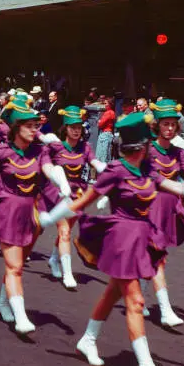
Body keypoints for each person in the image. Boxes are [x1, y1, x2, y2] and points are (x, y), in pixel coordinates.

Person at [38, 112, 184, 366]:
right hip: (121, 239)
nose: (153, 146)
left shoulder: (148, 171)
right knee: (136, 302)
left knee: (112, 291)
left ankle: (88, 340)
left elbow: (178, 188)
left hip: (142, 238)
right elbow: (83, 202)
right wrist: (51, 217)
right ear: (140, 146)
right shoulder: (116, 170)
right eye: (149, 142)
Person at [0, 99, 72, 334]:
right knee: (15, 266)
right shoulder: (1, 150)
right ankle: (21, 317)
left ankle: (4, 302)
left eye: (36, 125)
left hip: (31, 212)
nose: (35, 129)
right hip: (6, 208)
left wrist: (61, 182)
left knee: (16, 266)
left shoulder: (40, 150)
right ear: (16, 128)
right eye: (29, 125)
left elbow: (48, 169)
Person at [143, 99, 184, 326]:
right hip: (149, 209)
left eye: (173, 124)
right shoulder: (148, 151)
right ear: (157, 125)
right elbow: (151, 178)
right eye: (165, 124)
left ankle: (137, 297)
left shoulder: (179, 152)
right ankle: (166, 310)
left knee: (153, 257)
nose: (169, 128)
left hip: (170, 210)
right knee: (158, 259)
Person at [42, 106, 107, 290]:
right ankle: (68, 273)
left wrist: (108, 170)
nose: (77, 131)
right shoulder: (55, 147)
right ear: (65, 128)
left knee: (67, 231)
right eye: (73, 127)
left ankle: (54, 258)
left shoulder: (85, 147)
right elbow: (45, 166)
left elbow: (95, 163)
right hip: (58, 192)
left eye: (79, 127)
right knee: (64, 231)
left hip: (78, 193)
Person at [95, 97, 116, 163]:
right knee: (107, 154)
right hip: (109, 134)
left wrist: (99, 121)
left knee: (102, 156)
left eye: (106, 103)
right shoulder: (112, 112)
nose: (104, 105)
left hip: (105, 134)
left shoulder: (108, 113)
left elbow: (100, 124)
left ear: (110, 104)